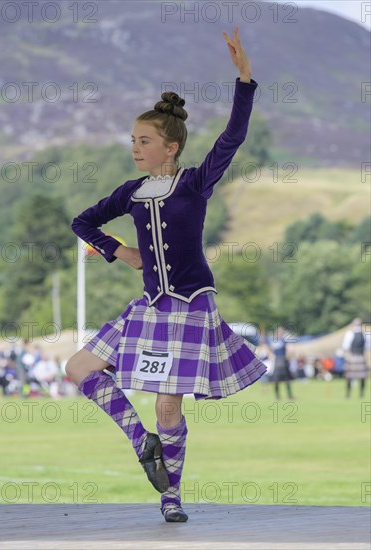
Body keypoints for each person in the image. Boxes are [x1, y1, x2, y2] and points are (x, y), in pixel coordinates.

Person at [66, 26, 267, 523]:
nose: (136, 147)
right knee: (78, 369)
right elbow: (82, 222)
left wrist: (244, 79)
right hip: (149, 306)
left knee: (169, 409)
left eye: (145, 140)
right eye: (134, 140)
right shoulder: (131, 191)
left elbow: (233, 136)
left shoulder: (195, 183)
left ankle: (170, 497)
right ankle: (142, 442)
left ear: (170, 147)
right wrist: (121, 252)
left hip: (191, 307)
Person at [342, 318, 369, 398]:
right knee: (361, 377)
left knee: (350, 377)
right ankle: (360, 394)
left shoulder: (350, 334)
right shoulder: (363, 334)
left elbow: (345, 347)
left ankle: (349, 394)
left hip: (353, 356)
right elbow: (366, 347)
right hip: (360, 356)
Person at [268, 326, 295, 400]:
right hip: (276, 361)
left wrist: (288, 358)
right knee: (276, 380)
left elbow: (289, 350)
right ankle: (277, 396)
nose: (280, 334)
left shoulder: (284, 341)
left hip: (283, 361)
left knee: (287, 380)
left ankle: (289, 395)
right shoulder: (273, 341)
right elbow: (269, 350)